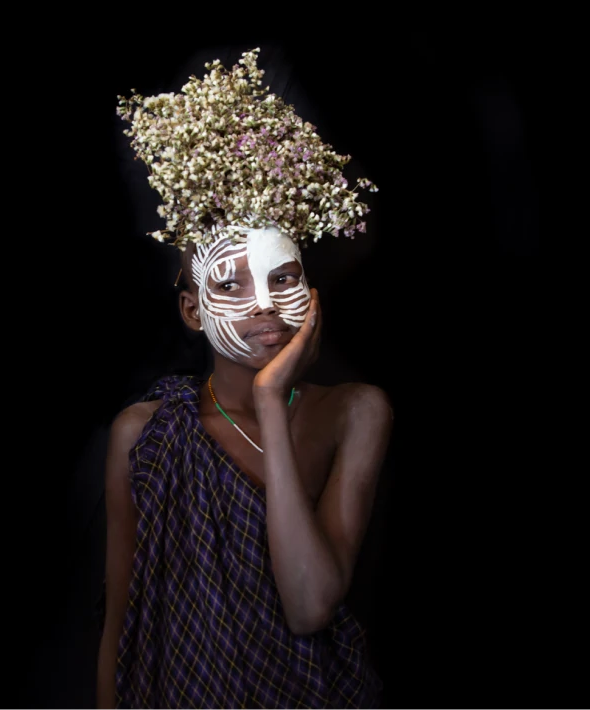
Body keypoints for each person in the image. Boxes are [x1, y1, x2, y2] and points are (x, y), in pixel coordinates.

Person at [99, 49, 392, 710]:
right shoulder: (143, 437)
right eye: (229, 283)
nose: (262, 303)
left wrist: (268, 396)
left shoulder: (356, 412)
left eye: (283, 277)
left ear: (311, 290)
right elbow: (123, 631)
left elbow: (311, 605)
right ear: (192, 309)